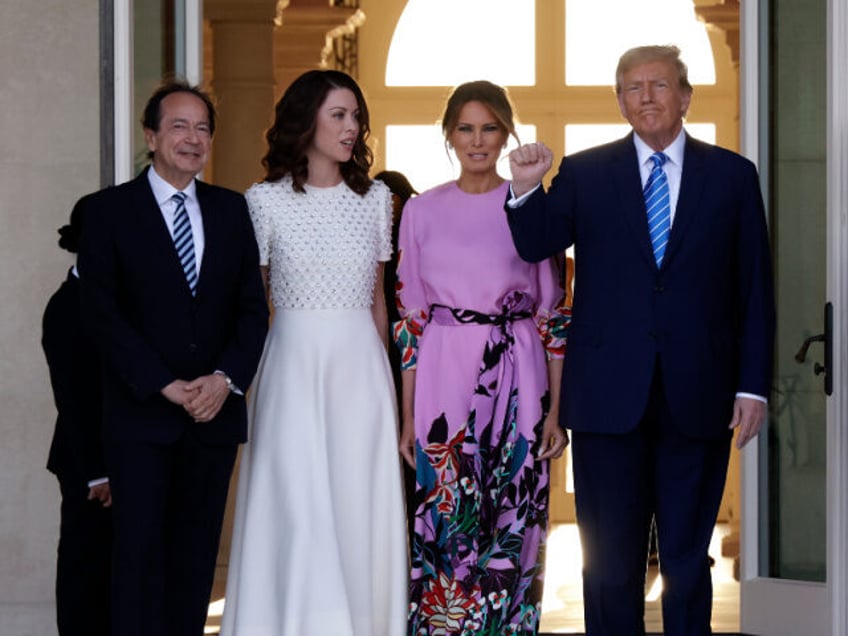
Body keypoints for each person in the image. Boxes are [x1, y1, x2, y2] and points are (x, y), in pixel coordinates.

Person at [506, 45, 775, 635]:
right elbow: (535, 244)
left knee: (685, 560)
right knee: (607, 568)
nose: (646, 95)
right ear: (620, 101)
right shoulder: (584, 172)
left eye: (658, 84)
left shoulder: (732, 176)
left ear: (685, 96)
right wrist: (526, 189)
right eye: (632, 87)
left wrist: (753, 385)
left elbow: (754, 288)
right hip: (607, 399)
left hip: (698, 393)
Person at [77, 80, 269, 636]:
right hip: (141, 417)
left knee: (195, 564)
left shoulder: (233, 211)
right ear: (151, 136)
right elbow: (101, 316)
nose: (193, 138)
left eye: (203, 128)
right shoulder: (109, 212)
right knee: (137, 563)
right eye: (180, 126)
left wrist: (225, 379)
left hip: (213, 417)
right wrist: (162, 383)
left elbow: (252, 313)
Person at [221, 70, 407, 636]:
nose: (352, 128)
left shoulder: (376, 200)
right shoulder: (263, 202)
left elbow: (378, 302)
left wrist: (390, 390)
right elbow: (251, 305)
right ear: (306, 121)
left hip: (361, 371)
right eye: (338, 115)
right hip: (291, 365)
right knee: (296, 502)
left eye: (356, 117)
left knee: (357, 502)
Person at [396, 80, 570, 635]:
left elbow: (554, 317)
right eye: (466, 128)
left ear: (506, 134)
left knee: (515, 526)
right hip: (443, 387)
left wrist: (556, 412)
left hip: (520, 380)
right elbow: (410, 321)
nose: (478, 141)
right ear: (449, 135)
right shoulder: (421, 212)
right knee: (447, 523)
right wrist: (406, 416)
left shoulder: (527, 207)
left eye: (490, 128)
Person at [42, 196, 111, 636]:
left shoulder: (113, 297)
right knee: (84, 573)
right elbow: (72, 398)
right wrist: (97, 475)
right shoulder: (67, 305)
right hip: (87, 465)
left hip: (119, 459)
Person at [374, 169, 419, 540]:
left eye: (395, 199)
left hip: (410, 350)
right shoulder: (371, 240)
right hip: (377, 350)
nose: (389, 207)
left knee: (408, 449)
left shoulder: (414, 240)